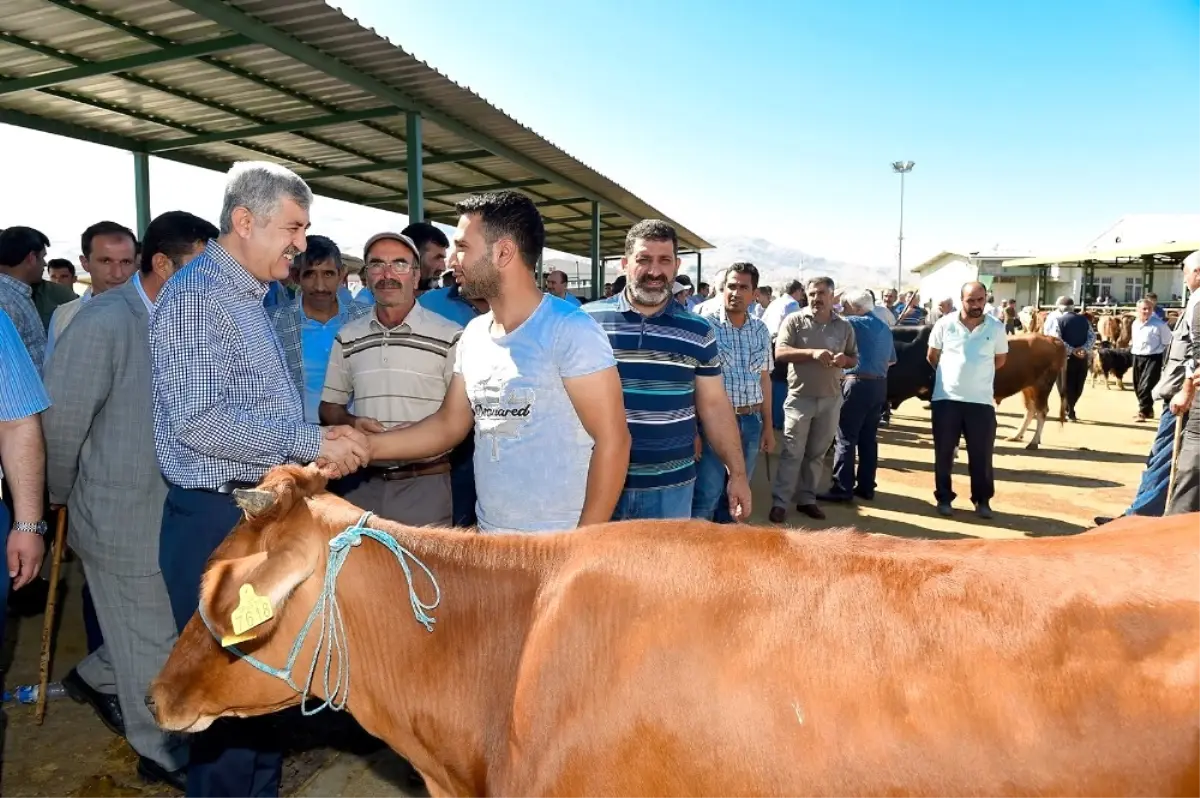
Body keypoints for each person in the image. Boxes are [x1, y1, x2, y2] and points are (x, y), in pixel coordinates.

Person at [150, 162, 369, 797]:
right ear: (244, 222)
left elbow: (256, 409)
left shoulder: (253, 296)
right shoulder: (198, 299)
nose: (302, 244)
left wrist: (309, 449)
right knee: (223, 702)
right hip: (217, 522)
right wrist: (310, 441)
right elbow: (199, 422)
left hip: (256, 512)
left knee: (267, 683)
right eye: (293, 227)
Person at [43, 211, 217, 789]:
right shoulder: (103, 323)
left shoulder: (190, 318)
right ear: (162, 265)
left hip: (175, 507)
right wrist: (55, 501)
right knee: (154, 642)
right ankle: (161, 750)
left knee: (164, 625)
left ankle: (94, 677)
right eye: (201, 269)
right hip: (119, 513)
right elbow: (61, 426)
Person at [368, 190, 629, 532]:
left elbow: (614, 440)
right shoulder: (474, 334)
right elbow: (448, 425)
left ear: (503, 252)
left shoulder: (570, 330)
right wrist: (363, 446)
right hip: (493, 542)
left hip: (558, 544)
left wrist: (580, 548)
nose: (451, 261)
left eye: (462, 247)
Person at [584, 220, 750, 521]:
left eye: (664, 260)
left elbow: (714, 405)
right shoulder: (585, 322)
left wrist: (737, 473)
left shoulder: (698, 330)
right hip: (594, 482)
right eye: (643, 260)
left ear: (676, 266)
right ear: (624, 264)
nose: (654, 271)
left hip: (671, 490)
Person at [320, 231, 463, 526]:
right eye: (376, 265)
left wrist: (424, 430)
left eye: (399, 264)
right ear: (367, 276)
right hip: (360, 485)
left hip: (425, 485)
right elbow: (329, 408)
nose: (387, 274)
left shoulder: (451, 336)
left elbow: (462, 418)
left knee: (423, 572)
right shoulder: (348, 337)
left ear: (416, 274)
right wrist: (352, 422)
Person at [1095, 252, 1200, 525]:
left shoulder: (1199, 302)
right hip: (1174, 386)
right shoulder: (1192, 302)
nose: (1184, 277)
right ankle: (1140, 512)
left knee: (1165, 457)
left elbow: (1196, 353)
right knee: (1162, 456)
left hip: (1181, 393)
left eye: (1186, 271)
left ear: (1197, 273)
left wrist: (1186, 389)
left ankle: (1138, 518)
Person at [769, 276, 857, 523]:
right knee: (792, 452)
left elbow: (853, 358)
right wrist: (812, 353)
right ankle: (780, 502)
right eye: (812, 293)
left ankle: (807, 499)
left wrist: (844, 361)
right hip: (799, 398)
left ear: (832, 296)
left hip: (830, 399)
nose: (816, 298)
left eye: (821, 293)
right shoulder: (795, 320)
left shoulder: (844, 327)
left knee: (817, 454)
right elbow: (780, 352)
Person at [692, 263, 774, 522]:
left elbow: (764, 380)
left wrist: (768, 427)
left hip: (751, 422)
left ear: (754, 294)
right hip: (713, 424)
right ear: (722, 288)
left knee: (737, 495)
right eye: (731, 286)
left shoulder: (760, 330)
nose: (736, 292)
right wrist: (693, 430)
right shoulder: (705, 326)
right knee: (707, 493)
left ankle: (727, 554)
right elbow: (691, 382)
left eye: (743, 287)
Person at [927, 281, 1008, 518]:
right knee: (944, 453)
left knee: (981, 454)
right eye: (971, 300)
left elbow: (1000, 360)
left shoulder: (995, 328)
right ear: (961, 300)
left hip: (981, 402)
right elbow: (932, 356)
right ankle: (944, 498)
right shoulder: (945, 324)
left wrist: (976, 377)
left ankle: (982, 501)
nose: (976, 305)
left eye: (980, 300)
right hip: (946, 399)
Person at [269, 235, 370, 423]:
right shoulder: (274, 322)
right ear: (296, 276)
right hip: (298, 439)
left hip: (357, 433)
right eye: (310, 274)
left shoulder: (367, 319)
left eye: (328, 274)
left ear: (342, 275)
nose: (320, 286)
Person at [820, 289, 895, 502]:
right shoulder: (884, 327)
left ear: (856, 308)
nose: (842, 308)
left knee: (845, 436)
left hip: (856, 382)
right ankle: (866, 486)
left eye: (845, 305)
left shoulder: (850, 322)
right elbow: (891, 361)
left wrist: (832, 300)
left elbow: (830, 318)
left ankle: (842, 487)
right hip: (879, 385)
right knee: (868, 438)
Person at [1042, 296, 1094, 421]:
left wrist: (1072, 350)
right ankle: (1071, 408)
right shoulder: (1084, 320)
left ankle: (1068, 408)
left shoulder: (1058, 321)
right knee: (1078, 384)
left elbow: (1056, 339)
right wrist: (1083, 349)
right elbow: (1092, 337)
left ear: (1060, 308)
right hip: (1082, 358)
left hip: (1064, 358)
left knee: (1064, 385)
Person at [1129, 298, 1173, 422]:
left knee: (1146, 385)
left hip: (1153, 357)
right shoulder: (1135, 324)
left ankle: (1142, 411)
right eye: (1144, 309)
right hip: (1137, 356)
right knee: (1137, 385)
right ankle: (1148, 410)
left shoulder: (1159, 324)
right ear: (1138, 310)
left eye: (1149, 309)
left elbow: (1167, 341)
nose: (1147, 311)